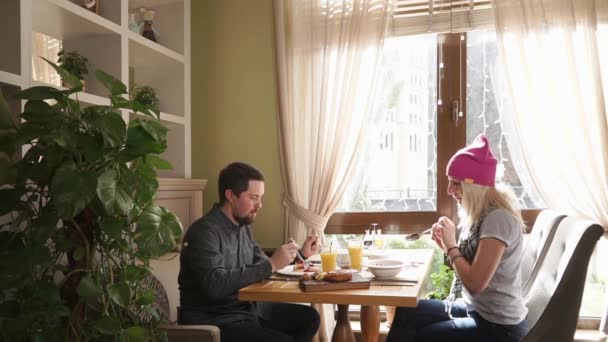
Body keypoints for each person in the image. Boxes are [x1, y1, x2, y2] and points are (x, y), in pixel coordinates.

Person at [387, 134, 529, 342]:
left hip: (498, 327)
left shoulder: (498, 219)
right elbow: (471, 268)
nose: (449, 190)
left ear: (475, 185)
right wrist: (447, 246)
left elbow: (475, 283)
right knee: (406, 311)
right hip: (477, 311)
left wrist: (452, 246)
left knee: (423, 336)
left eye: (456, 183)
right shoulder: (482, 213)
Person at [178, 162, 320, 342]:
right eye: (253, 197)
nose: (259, 205)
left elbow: (264, 264)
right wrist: (273, 263)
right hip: (216, 320)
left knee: (309, 318)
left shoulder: (242, 226)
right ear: (230, 195)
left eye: (260, 197)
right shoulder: (204, 232)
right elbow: (214, 285)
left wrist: (300, 255)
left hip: (248, 310)